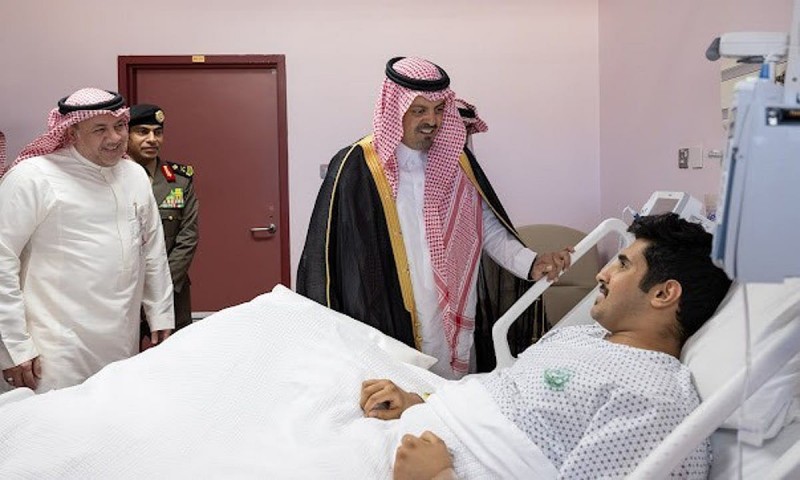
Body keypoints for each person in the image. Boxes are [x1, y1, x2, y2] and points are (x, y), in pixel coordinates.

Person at [360, 213, 733, 479]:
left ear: (664, 294)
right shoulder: (581, 336)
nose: (602, 273)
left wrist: (438, 476)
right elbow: (507, 391)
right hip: (418, 431)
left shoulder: (654, 401)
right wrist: (420, 401)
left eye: (622, 265)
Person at [297, 56, 572, 379]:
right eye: (419, 110)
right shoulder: (357, 166)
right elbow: (325, 255)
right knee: (400, 393)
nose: (432, 120)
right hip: (385, 309)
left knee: (452, 391)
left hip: (452, 308)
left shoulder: (456, 161)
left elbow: (485, 226)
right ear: (395, 109)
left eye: (439, 109)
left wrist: (530, 262)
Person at [0, 88, 174, 393]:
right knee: (54, 419)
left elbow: (152, 251)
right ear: (72, 132)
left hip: (121, 339)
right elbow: (2, 259)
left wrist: (160, 313)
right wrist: (15, 346)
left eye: (119, 126)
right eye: (99, 129)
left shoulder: (134, 175)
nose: (115, 138)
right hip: (54, 348)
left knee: (113, 412)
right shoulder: (32, 177)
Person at [127, 104, 199, 350]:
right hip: (125, 292)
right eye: (142, 132)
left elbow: (188, 237)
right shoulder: (113, 178)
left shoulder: (179, 180)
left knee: (173, 357)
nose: (152, 139)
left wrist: (161, 286)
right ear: (126, 135)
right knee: (122, 360)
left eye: (157, 132)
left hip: (172, 291)